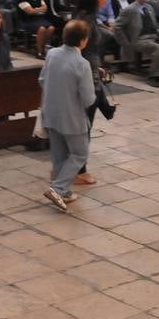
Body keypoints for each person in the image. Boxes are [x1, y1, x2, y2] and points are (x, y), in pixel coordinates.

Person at [39, 20, 97, 213]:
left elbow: (41, 79)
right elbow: (88, 99)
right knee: (80, 153)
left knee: (59, 155)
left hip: (50, 113)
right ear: (82, 41)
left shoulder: (52, 54)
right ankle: (57, 189)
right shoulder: (82, 63)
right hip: (72, 117)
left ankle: (63, 191)